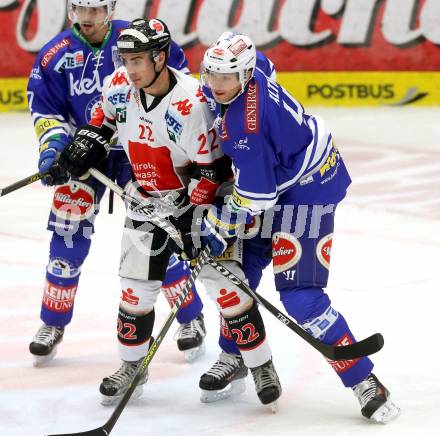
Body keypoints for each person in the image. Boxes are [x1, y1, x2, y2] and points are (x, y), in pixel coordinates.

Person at [57, 18, 282, 407]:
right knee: (135, 291)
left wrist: (192, 222)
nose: (130, 69)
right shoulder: (119, 85)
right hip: (144, 201)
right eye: (125, 60)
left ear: (160, 58)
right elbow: (103, 121)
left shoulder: (191, 103)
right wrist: (85, 145)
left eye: (138, 60)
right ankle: (132, 367)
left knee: (226, 286)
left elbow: (214, 171)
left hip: (201, 205)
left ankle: (260, 365)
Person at [196, 31, 401, 423]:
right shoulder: (256, 72)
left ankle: (365, 381)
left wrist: (218, 226)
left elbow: (256, 198)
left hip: (308, 192)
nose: (217, 86)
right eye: (213, 75)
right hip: (285, 178)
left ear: (244, 75)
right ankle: (235, 352)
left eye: (226, 78)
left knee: (301, 297)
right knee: (238, 275)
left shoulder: (244, 128)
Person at [26, 0, 206, 366]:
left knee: (156, 232)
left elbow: (179, 92)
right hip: (85, 150)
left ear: (110, 9)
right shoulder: (55, 54)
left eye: (95, 10)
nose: (87, 18)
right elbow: (46, 111)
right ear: (70, 9)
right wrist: (55, 150)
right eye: (80, 9)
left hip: (137, 150)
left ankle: (190, 316)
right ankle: (52, 322)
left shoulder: (141, 41)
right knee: (67, 230)